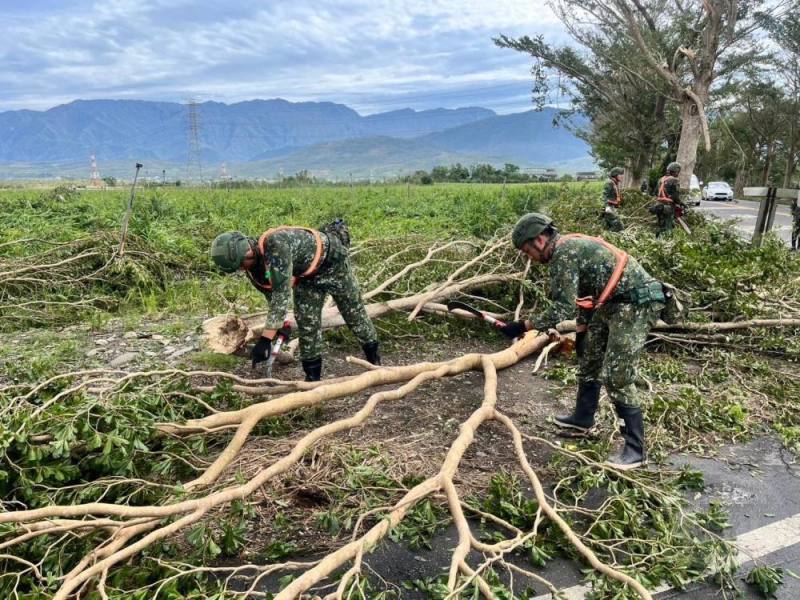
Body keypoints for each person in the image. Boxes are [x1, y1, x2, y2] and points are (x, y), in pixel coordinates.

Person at [499, 213, 666, 470]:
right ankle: (582, 419)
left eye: (527, 250)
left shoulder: (563, 253)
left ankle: (635, 450)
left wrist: (522, 326)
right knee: (589, 360)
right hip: (611, 302)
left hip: (635, 302)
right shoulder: (568, 248)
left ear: (540, 239)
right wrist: (583, 330)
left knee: (617, 375)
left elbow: (561, 308)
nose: (528, 258)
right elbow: (588, 293)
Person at [210, 223, 380, 381]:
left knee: (353, 314)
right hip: (307, 277)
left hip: (333, 267)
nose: (241, 269)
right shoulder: (253, 267)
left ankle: (376, 364)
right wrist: (281, 325)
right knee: (307, 323)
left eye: (241, 265)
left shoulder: (276, 246)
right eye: (238, 268)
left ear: (247, 251)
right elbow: (270, 291)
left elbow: (281, 295)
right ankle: (312, 381)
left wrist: (265, 340)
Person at [652, 162, 686, 237]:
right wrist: (681, 203)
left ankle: (657, 239)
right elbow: (675, 196)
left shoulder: (661, 179)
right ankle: (663, 241)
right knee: (667, 227)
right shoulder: (674, 180)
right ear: (676, 171)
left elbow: (655, 193)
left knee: (661, 224)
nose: (678, 173)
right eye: (678, 172)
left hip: (658, 206)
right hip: (668, 207)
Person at [602, 167, 625, 232]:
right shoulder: (609, 183)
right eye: (621, 175)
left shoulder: (615, 183)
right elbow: (603, 197)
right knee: (619, 226)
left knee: (607, 227)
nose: (622, 176)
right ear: (615, 175)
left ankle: (606, 236)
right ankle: (607, 237)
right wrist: (607, 207)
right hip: (609, 209)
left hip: (612, 208)